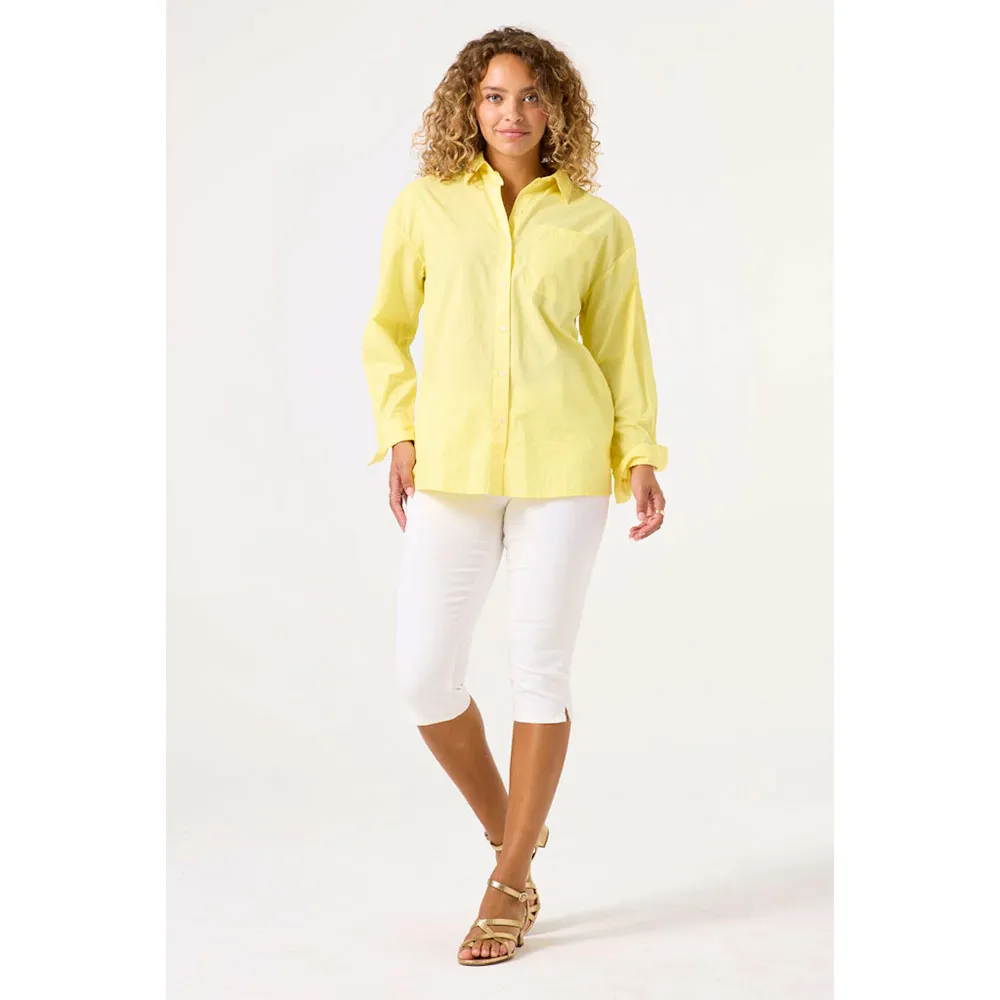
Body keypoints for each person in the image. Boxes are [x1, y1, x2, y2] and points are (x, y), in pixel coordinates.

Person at [361, 26, 669, 966]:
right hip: (451, 468)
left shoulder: (596, 225)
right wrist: (399, 432)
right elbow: (387, 330)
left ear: (557, 109)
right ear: (469, 104)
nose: (512, 113)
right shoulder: (425, 207)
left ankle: (503, 889)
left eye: (532, 96)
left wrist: (640, 455)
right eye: (495, 95)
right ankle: (517, 846)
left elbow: (620, 349)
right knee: (424, 676)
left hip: (563, 468)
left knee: (539, 670)